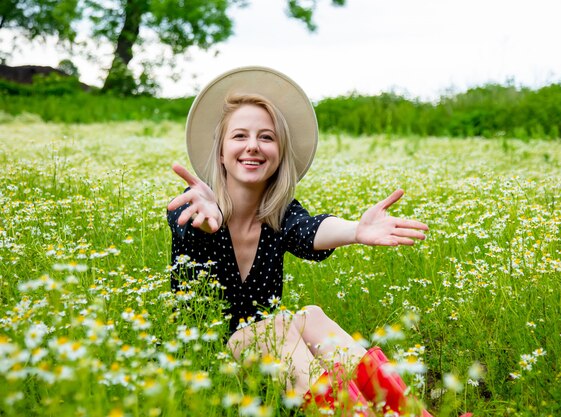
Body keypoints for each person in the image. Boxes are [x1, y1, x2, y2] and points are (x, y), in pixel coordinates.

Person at [167, 67, 463, 417]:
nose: (252, 146)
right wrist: (206, 222)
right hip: (207, 359)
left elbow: (310, 231)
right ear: (220, 152)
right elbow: (187, 225)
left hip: (275, 353)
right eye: (239, 136)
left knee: (311, 316)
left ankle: (410, 414)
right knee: (272, 325)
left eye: (266, 137)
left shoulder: (280, 214)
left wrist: (355, 230)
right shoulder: (196, 204)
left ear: (279, 154)